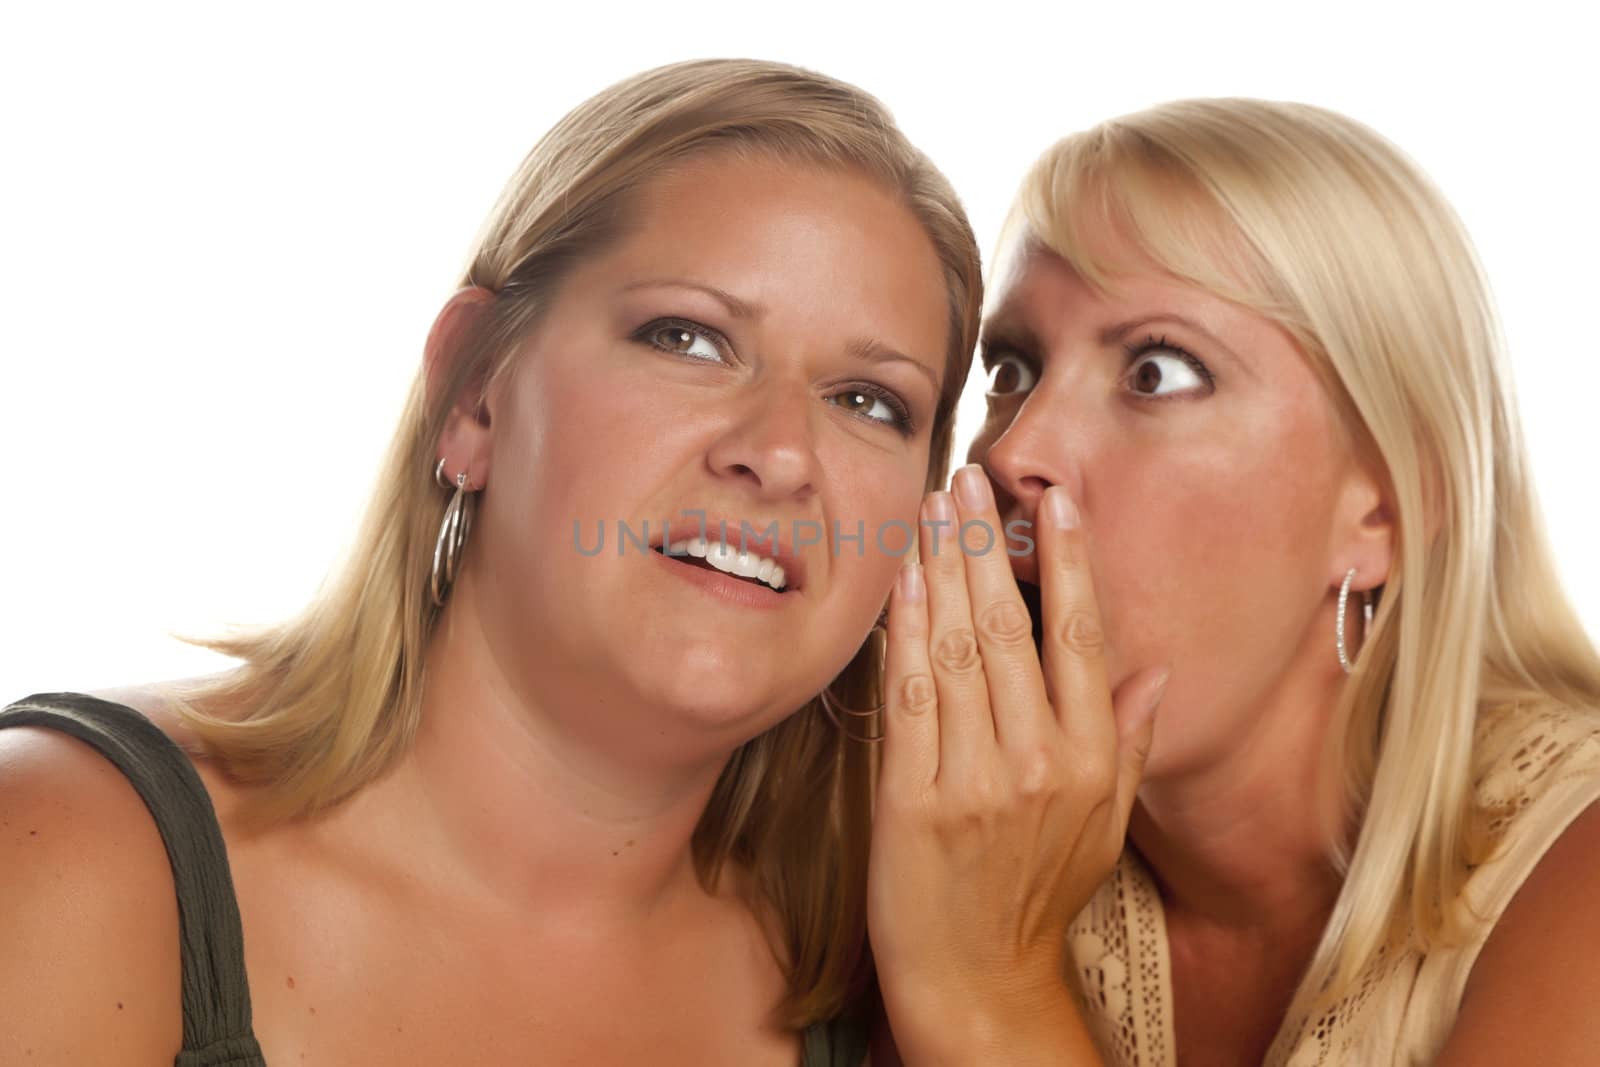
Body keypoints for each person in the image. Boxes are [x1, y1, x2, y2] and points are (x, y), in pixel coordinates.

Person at [0, 59, 981, 1065]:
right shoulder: (68, 847)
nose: (778, 454)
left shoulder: (893, 984)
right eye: (687, 338)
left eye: (869, 400)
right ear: (474, 392)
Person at [864, 99, 1600, 1065]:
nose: (1016, 449)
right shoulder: (944, 824)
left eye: (1157, 372)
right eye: (1012, 367)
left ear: (1385, 510)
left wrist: (983, 986)